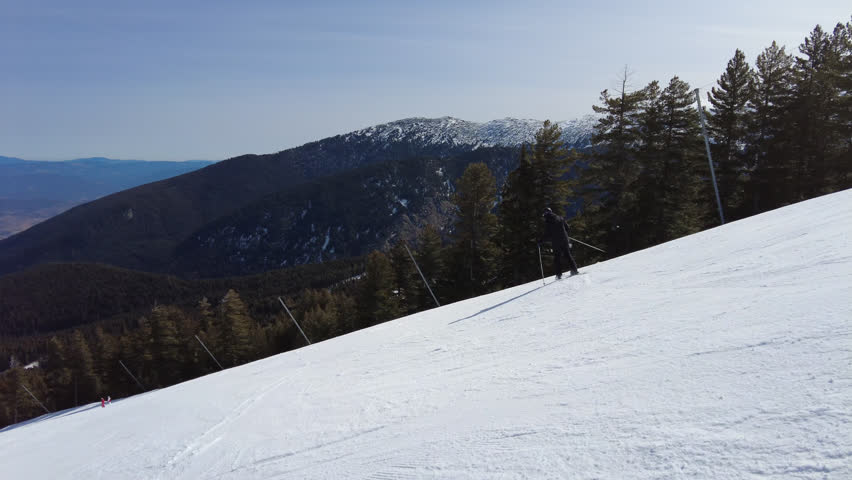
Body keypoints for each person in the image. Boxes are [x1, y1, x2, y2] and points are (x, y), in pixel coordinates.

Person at [541, 207, 579, 279]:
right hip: (565, 239)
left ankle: (559, 275)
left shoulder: (548, 222)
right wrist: (564, 234)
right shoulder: (560, 218)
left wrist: (540, 240)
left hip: (556, 242)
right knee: (568, 255)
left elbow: (547, 234)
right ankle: (574, 270)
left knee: (557, 258)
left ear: (545, 214)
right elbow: (567, 228)